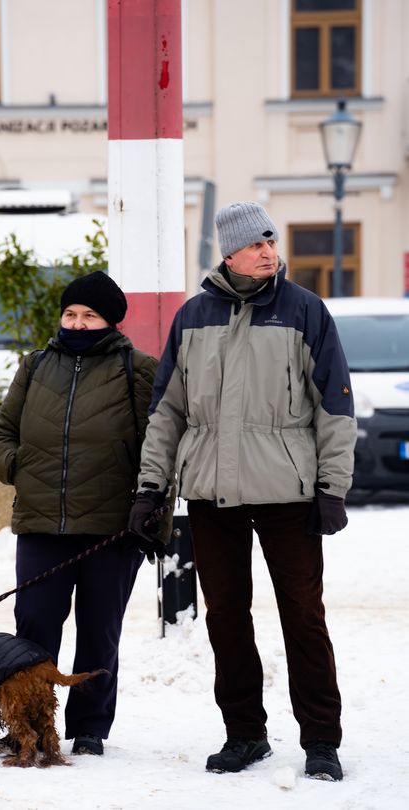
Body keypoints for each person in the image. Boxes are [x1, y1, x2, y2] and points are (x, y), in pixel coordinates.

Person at [128, 202, 356, 781]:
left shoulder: (304, 311)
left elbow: (335, 405)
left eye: (270, 242)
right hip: (213, 492)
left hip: (288, 493)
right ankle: (245, 733)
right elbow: (167, 411)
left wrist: (332, 487)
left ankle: (321, 740)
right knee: (226, 617)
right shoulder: (193, 316)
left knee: (303, 616)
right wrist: (150, 487)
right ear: (230, 253)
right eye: (256, 244)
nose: (268, 252)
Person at [0, 270, 157, 756]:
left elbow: (158, 445)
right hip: (42, 521)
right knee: (34, 624)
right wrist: (18, 466)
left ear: (112, 321)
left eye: (90, 315)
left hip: (111, 527)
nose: (78, 323)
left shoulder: (137, 369)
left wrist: (150, 513)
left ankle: (89, 727)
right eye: (70, 314)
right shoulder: (36, 365)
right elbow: (4, 431)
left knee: (99, 630)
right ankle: (27, 721)